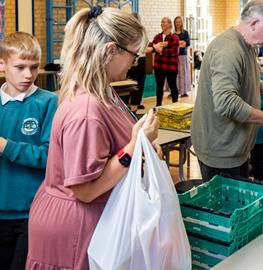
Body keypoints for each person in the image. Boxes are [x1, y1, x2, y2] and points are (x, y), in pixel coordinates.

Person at [26, 7, 159, 269]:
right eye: (133, 54)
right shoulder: (86, 111)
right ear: (111, 50)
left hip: (93, 220)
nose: (135, 63)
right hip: (75, 229)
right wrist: (133, 148)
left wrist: (143, 143)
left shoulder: (105, 93)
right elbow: (85, 190)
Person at [191, 0, 263, 182]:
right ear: (254, 23)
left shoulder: (248, 45)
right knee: (227, 209)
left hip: (237, 147)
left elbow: (240, 80)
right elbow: (226, 102)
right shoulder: (228, 49)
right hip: (221, 151)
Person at [0, 32, 57, 270]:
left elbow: (50, 157)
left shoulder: (48, 102)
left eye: (34, 67)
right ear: (2, 65)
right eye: (20, 67)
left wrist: (6, 146)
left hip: (32, 213)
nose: (29, 75)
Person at [147, 17, 180, 106]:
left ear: (169, 24)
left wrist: (161, 50)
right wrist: (158, 48)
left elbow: (174, 52)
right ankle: (158, 106)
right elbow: (153, 47)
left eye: (164, 22)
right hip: (159, 66)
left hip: (171, 67)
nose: (161, 24)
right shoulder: (157, 37)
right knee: (159, 88)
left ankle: (176, 106)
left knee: (173, 87)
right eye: (161, 22)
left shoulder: (174, 38)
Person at [249, 72, 263, 183]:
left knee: (258, 164)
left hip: (258, 130)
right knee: (257, 162)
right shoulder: (256, 75)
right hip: (257, 129)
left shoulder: (256, 77)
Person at [126, 12, 147, 113]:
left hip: (139, 60)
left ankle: (132, 110)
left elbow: (144, 47)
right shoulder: (132, 32)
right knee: (131, 86)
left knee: (136, 87)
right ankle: (130, 110)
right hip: (133, 59)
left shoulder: (141, 32)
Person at [174, 16, 191, 97]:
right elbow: (174, 45)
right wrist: (180, 43)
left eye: (179, 22)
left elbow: (187, 44)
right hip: (174, 56)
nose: (178, 23)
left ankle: (184, 91)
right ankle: (175, 91)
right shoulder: (173, 34)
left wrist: (180, 44)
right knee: (175, 74)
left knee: (183, 74)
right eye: (176, 22)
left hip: (183, 56)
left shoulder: (185, 33)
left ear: (181, 23)